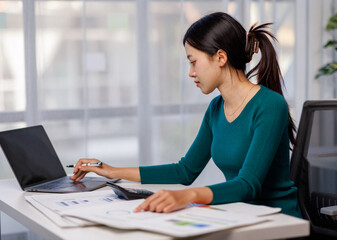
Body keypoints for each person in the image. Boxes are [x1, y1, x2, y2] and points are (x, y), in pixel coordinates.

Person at [71, 12, 302, 218]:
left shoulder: (269, 105)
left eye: (193, 62)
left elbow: (248, 185)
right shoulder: (215, 108)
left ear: (220, 58)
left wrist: (186, 196)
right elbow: (185, 170)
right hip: (241, 214)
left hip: (279, 221)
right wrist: (110, 171)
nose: (191, 73)